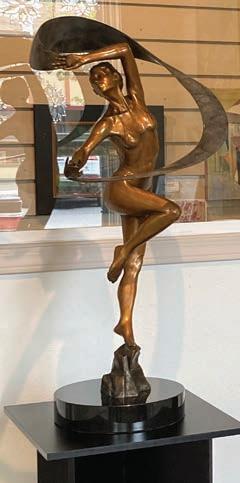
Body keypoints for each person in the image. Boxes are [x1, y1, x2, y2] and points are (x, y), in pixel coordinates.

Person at [51, 43, 181, 346]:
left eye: (102, 73)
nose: (98, 80)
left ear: (116, 77)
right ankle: (122, 251)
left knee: (134, 266)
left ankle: (126, 327)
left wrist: (84, 58)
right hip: (122, 189)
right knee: (171, 211)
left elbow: (124, 49)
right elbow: (83, 152)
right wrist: (74, 166)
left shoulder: (137, 98)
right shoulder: (108, 123)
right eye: (93, 79)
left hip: (144, 188)